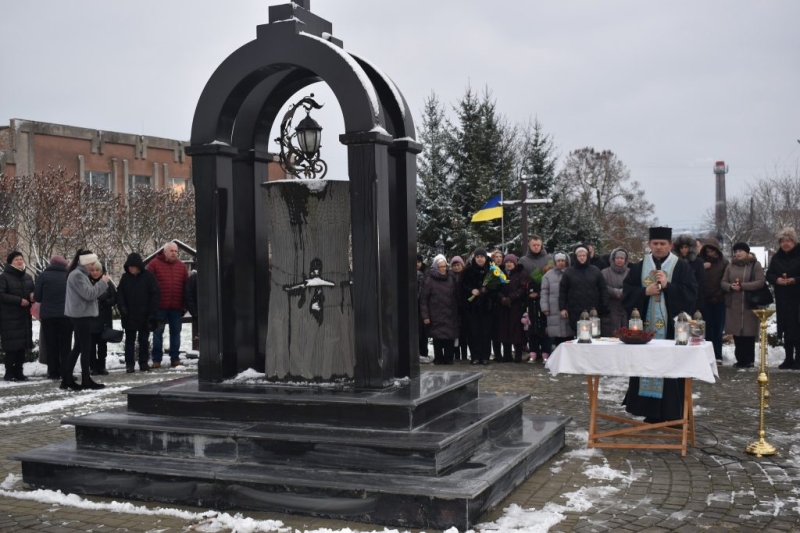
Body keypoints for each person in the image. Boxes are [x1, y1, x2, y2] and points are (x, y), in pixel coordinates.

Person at [622, 227, 698, 423]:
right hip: (645, 332)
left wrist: (668, 287)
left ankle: (674, 414)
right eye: (655, 243)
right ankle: (651, 413)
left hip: (673, 332)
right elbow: (626, 295)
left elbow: (691, 294)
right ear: (649, 245)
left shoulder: (681, 267)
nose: (658, 247)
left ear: (670, 245)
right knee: (647, 367)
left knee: (672, 370)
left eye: (662, 244)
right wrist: (643, 293)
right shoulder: (639, 268)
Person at [64, 250, 110, 390]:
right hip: (81, 315)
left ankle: (67, 380)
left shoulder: (79, 274)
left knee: (79, 347)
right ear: (85, 262)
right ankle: (85, 380)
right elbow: (89, 294)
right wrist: (102, 283)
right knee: (85, 348)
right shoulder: (77, 275)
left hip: (80, 314)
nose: (93, 266)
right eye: (91, 263)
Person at [721, 242, 765, 368]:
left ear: (747, 252)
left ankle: (749, 360)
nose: (737, 253)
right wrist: (730, 287)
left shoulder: (755, 265)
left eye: (740, 251)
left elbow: (760, 282)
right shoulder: (730, 266)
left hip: (749, 303)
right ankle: (740, 359)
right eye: (736, 251)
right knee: (737, 333)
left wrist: (743, 287)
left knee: (749, 333)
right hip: (734, 303)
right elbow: (723, 282)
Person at [117, 252, 160, 373]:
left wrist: (152, 313)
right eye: (129, 266)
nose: (131, 269)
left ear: (138, 266)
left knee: (143, 340)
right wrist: (122, 308)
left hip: (144, 315)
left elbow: (155, 295)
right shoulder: (125, 278)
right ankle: (129, 364)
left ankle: (143, 362)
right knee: (130, 341)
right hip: (129, 315)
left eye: (133, 266)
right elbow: (120, 294)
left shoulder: (149, 277)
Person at [147, 242, 188, 368]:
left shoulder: (182, 266)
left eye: (176, 251)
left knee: (176, 333)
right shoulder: (154, 264)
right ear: (164, 252)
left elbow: (186, 286)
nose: (174, 253)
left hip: (176, 306)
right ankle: (156, 360)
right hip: (159, 306)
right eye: (171, 251)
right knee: (158, 333)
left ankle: (175, 358)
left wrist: (185, 305)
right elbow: (148, 285)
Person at [765, 227, 800, 369]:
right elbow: (769, 274)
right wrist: (776, 280)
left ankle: (798, 359)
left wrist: (795, 280)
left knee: (798, 329)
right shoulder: (777, 257)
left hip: (797, 298)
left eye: (789, 240)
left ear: (794, 241)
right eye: (783, 241)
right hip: (783, 298)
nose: (785, 244)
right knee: (786, 329)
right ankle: (788, 358)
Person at [33, 254, 71, 380]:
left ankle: (53, 372)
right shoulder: (69, 276)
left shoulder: (43, 276)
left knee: (51, 344)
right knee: (65, 345)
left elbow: (37, 297)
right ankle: (66, 372)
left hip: (48, 317)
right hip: (66, 315)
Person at [0, 251, 35, 381]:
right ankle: (9, 373)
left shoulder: (27, 277)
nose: (20, 261)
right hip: (9, 317)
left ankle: (19, 372)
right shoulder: (4, 277)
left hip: (24, 316)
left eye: (21, 259)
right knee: (11, 348)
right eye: (16, 260)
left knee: (22, 347)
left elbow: (32, 290)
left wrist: (32, 296)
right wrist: (18, 300)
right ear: (11, 262)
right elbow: (1, 295)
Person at [419, 254, 460, 365]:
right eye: (440, 267)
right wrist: (425, 316)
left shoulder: (451, 279)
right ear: (436, 267)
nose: (443, 269)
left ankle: (448, 358)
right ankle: (438, 358)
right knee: (437, 337)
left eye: (444, 266)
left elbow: (456, 296)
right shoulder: (430, 280)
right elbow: (424, 299)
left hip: (450, 313)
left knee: (449, 337)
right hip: (435, 314)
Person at [559, 245, 609, 334]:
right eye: (579, 256)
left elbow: (603, 288)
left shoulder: (595, 270)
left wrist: (604, 304)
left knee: (594, 334)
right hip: (575, 309)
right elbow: (563, 291)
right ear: (576, 257)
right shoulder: (569, 272)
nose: (582, 258)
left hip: (593, 309)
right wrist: (562, 308)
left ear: (587, 256)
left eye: (584, 255)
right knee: (579, 335)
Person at [461, 248, 497, 365]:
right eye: (477, 257)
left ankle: (485, 356)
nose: (480, 259)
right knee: (473, 332)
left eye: (482, 257)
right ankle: (475, 356)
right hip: (472, 307)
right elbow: (462, 285)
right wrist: (472, 290)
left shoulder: (492, 270)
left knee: (486, 332)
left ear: (485, 258)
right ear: (474, 258)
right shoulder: (468, 271)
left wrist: (486, 290)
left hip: (487, 306)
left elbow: (499, 285)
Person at [698, 237, 728, 364]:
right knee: (707, 329)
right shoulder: (700, 262)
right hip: (705, 300)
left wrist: (719, 295)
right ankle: (707, 354)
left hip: (720, 300)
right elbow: (696, 278)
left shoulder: (724, 263)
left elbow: (726, 279)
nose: (711, 254)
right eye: (708, 251)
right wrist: (701, 267)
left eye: (713, 251)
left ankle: (718, 355)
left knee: (718, 329)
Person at [497, 254, 528, 362]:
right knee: (504, 331)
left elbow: (522, 288)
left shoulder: (521, 273)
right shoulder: (500, 273)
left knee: (517, 332)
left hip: (516, 306)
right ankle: (507, 355)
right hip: (503, 306)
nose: (509, 264)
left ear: (515, 263)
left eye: (511, 262)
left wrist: (511, 298)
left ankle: (518, 355)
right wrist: (502, 298)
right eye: (507, 262)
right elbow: (496, 288)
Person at [87, 261, 116, 376]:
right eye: (92, 270)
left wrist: (105, 302)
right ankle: (93, 367)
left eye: (97, 270)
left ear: (102, 271)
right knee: (91, 345)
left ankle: (102, 366)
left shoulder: (108, 283)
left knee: (102, 344)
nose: (95, 273)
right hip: (91, 318)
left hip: (104, 318)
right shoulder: (86, 282)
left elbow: (114, 298)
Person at [540, 252, 573, 350]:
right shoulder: (548, 275)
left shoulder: (571, 273)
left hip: (568, 307)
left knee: (569, 334)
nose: (561, 263)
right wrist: (545, 307)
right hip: (553, 308)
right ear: (555, 262)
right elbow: (544, 292)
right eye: (558, 261)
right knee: (556, 335)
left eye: (563, 261)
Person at [601, 248, 630, 336]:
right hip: (611, 307)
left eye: (622, 258)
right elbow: (602, 286)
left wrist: (623, 291)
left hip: (625, 307)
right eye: (617, 258)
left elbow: (633, 286)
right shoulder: (605, 272)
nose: (620, 260)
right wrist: (614, 292)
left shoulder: (630, 272)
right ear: (613, 259)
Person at [672, 234, 705, 312]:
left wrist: (693, 293)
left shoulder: (698, 262)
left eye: (686, 247)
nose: (683, 250)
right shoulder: (675, 262)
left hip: (695, 298)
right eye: (681, 247)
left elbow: (701, 280)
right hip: (678, 297)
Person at [449, 256, 469, 362]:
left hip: (465, 308)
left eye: (458, 265)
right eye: (454, 265)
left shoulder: (466, 276)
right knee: (455, 334)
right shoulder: (449, 277)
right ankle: (456, 355)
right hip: (453, 309)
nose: (456, 267)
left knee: (464, 334)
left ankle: (464, 355)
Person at [416, 253, 428, 359]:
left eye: (419, 262)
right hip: (413, 306)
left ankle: (424, 352)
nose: (417, 264)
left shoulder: (425, 273)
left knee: (423, 331)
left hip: (423, 306)